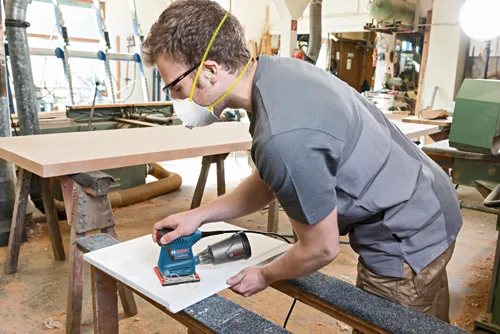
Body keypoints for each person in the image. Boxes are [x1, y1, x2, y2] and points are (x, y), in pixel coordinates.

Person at [141, 0, 462, 323]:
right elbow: (273, 177)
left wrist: (265, 275)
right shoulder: (275, 74)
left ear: (210, 71)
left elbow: (320, 249)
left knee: (390, 326)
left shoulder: (281, 137)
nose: (177, 100)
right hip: (430, 200)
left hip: (406, 235)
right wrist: (199, 216)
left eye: (178, 87)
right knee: (431, 325)